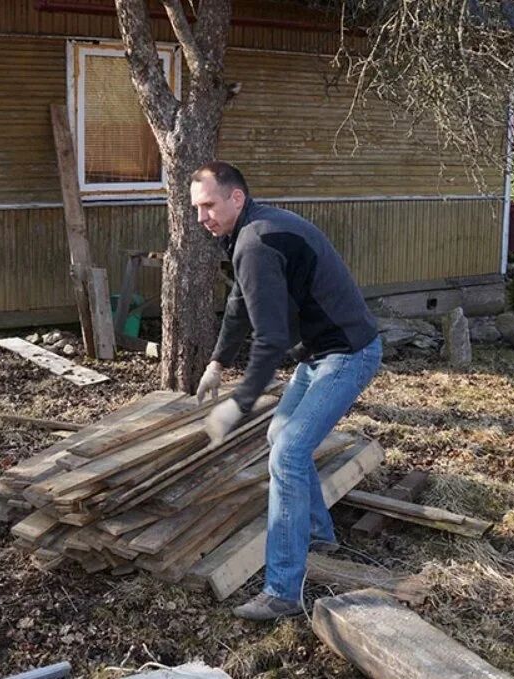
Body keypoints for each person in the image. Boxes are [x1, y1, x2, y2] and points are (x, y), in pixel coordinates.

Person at [190, 161, 382, 621]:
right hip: (317, 354)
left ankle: (282, 592)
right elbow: (239, 303)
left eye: (209, 205)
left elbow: (271, 340)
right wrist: (217, 362)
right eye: (196, 208)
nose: (201, 217)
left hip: (347, 355)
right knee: (279, 436)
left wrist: (237, 405)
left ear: (236, 197)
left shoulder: (256, 241)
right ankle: (316, 531)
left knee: (288, 454)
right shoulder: (248, 232)